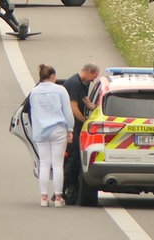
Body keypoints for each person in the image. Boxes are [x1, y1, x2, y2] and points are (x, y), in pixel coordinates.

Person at [28, 64, 74, 206]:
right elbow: (67, 111)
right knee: (58, 164)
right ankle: (59, 198)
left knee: (44, 164)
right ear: (53, 76)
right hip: (58, 129)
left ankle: (43, 198)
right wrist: (70, 129)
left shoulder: (34, 92)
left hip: (41, 131)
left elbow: (33, 112)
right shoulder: (60, 90)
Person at [62, 63, 100, 192]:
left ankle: (70, 187)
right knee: (72, 158)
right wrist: (85, 122)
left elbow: (85, 100)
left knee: (76, 157)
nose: (93, 80)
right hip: (72, 126)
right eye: (93, 76)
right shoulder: (74, 84)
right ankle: (64, 188)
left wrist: (96, 110)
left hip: (75, 126)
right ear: (88, 71)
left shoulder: (82, 84)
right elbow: (73, 108)